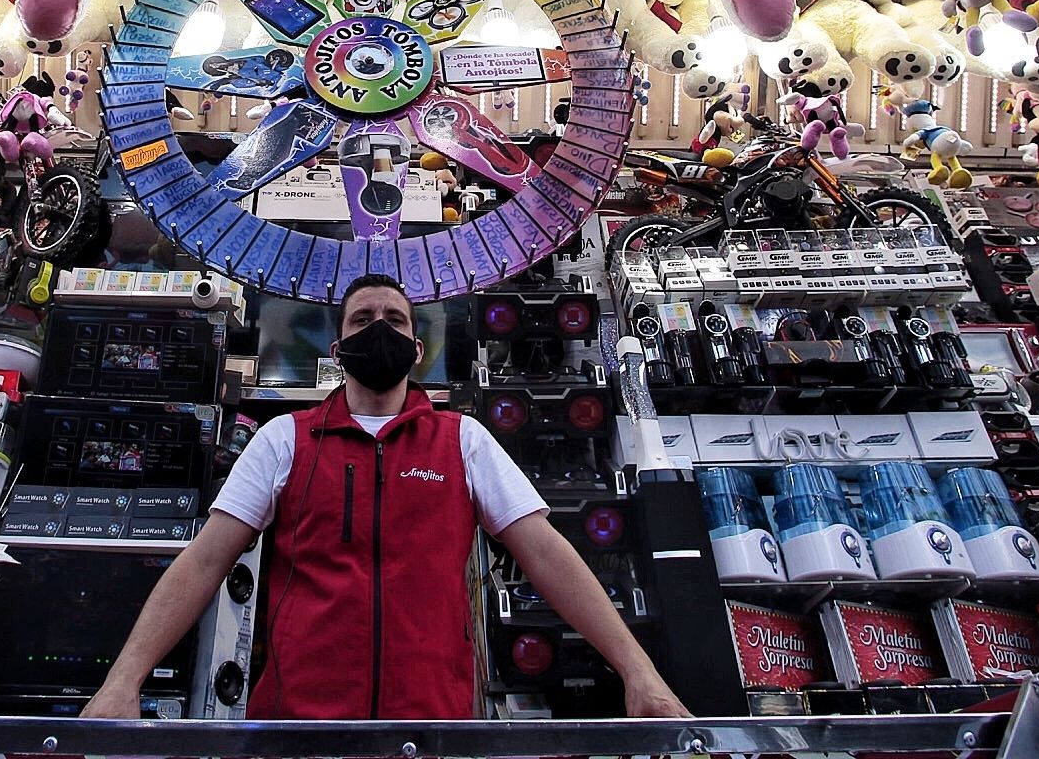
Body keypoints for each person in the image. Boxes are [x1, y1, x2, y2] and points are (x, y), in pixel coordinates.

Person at [82, 273, 689, 720]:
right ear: (337, 347)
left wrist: (640, 673)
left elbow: (548, 555)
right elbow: (204, 561)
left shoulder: (463, 441)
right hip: (296, 728)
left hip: (432, 727)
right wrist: (123, 680)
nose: (379, 329)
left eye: (396, 320)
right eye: (362, 319)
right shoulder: (283, 442)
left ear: (417, 348)